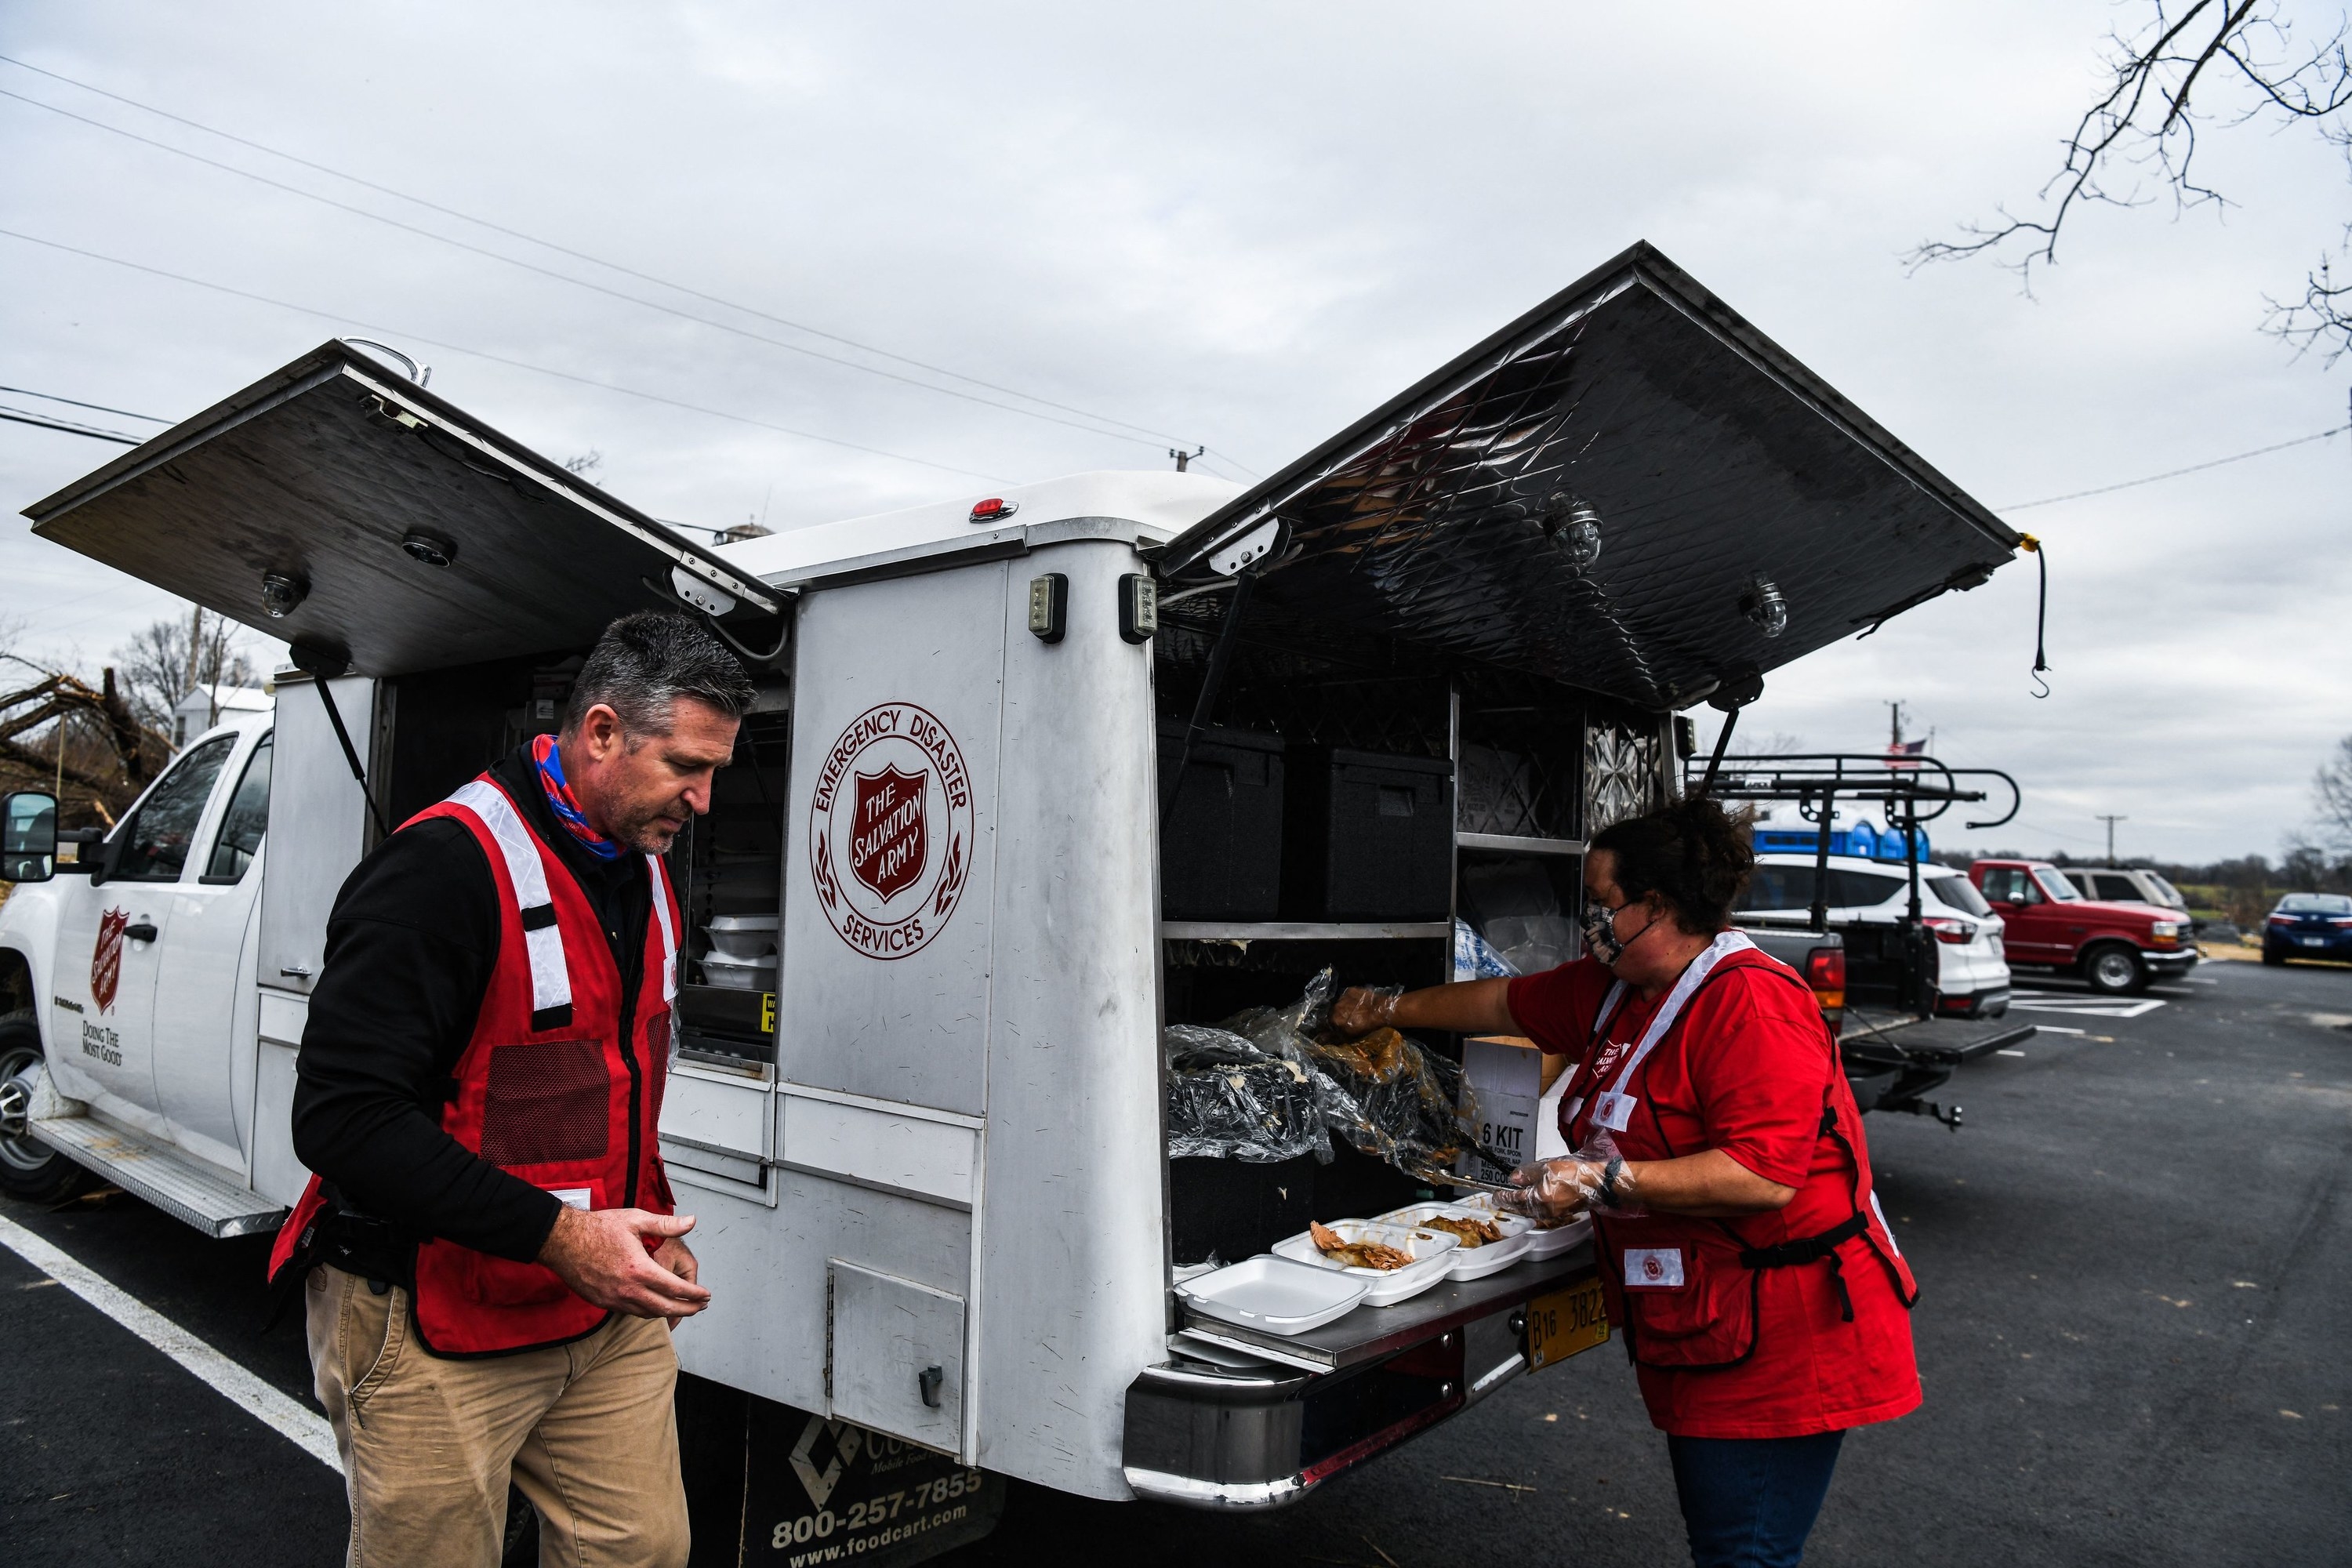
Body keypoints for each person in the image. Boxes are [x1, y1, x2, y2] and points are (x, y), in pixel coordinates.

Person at [268, 612, 754, 1568]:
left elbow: (598, 1081)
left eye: (715, 773)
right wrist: (565, 1235)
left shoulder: (643, 862)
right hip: (430, 1317)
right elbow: (341, 1117)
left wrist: (639, 1223)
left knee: (642, 1550)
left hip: (597, 1316)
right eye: (686, 766)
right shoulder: (440, 868)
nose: (703, 800)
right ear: (603, 732)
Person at [1331, 796, 1918, 1568]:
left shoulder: (1751, 1003)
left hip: (1781, 1329)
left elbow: (1761, 1173)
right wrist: (1387, 1009)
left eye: (1605, 905)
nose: (1591, 924)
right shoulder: (1615, 988)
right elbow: (1501, 1000)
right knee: (1724, 1538)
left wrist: (1601, 1180)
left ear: (1659, 906)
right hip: (1699, 1318)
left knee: (1744, 1550)